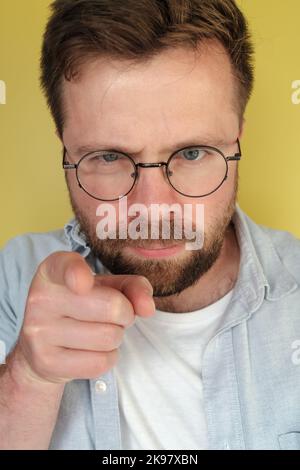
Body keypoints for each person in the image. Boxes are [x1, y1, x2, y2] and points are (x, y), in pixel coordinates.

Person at [0, 0, 300, 450]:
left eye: (193, 152)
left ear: (237, 139)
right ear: (65, 152)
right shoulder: (15, 276)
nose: (153, 208)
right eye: (109, 157)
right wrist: (28, 374)